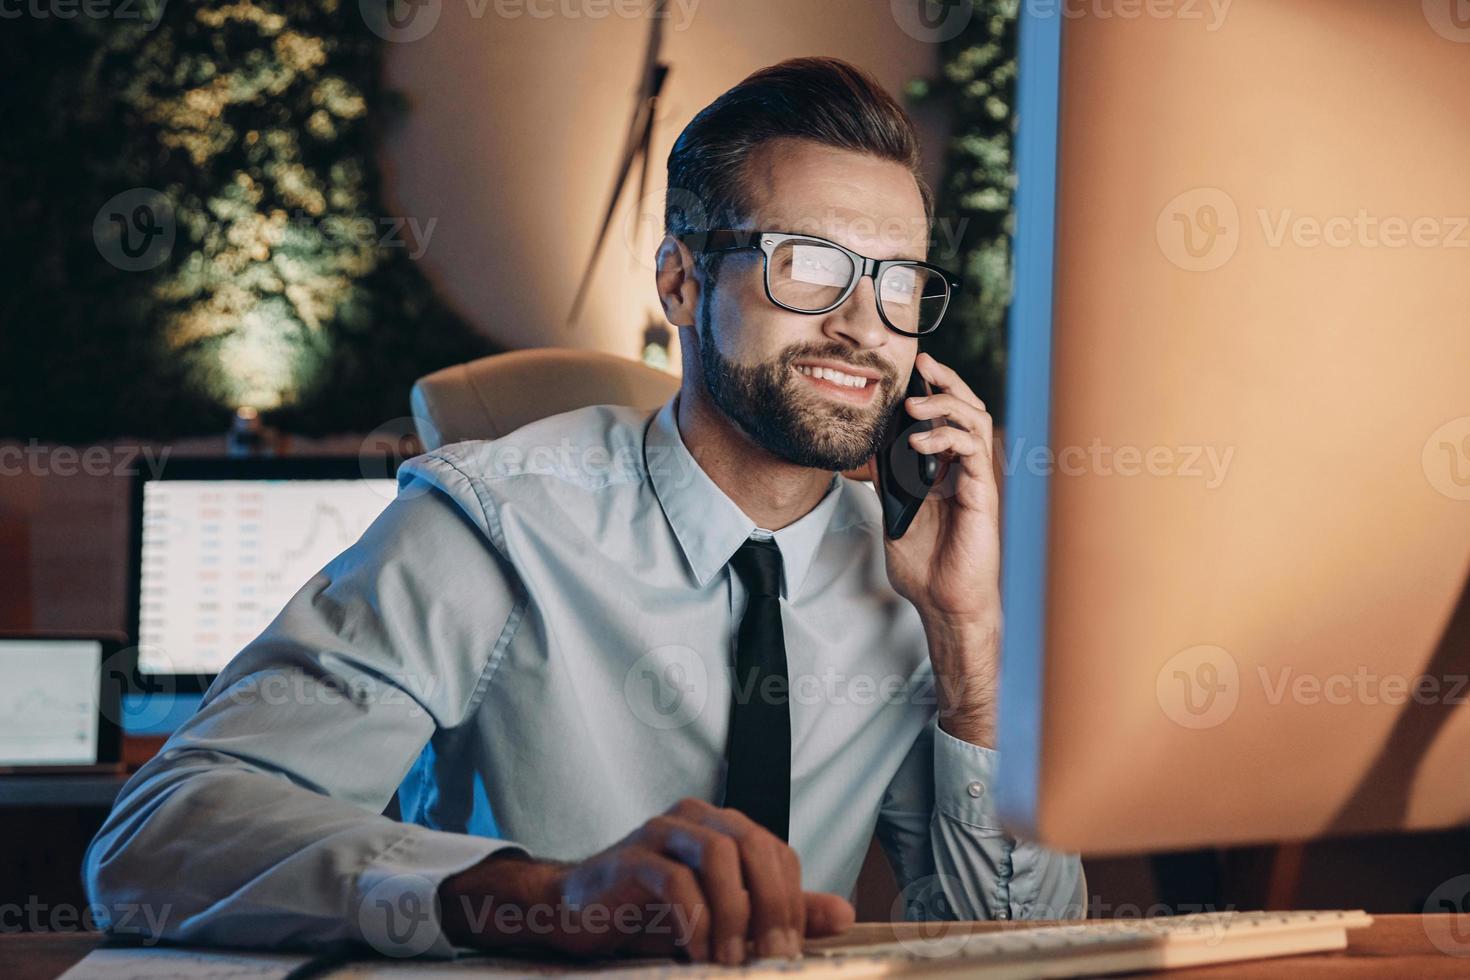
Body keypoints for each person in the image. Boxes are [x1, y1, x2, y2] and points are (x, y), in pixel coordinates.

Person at [85, 56, 1083, 966]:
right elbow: (158, 836)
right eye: (809, 265)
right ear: (683, 281)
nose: (865, 326)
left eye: (897, 281)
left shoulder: (909, 577)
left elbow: (1023, 951)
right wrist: (545, 895)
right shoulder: (493, 525)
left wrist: (969, 641)